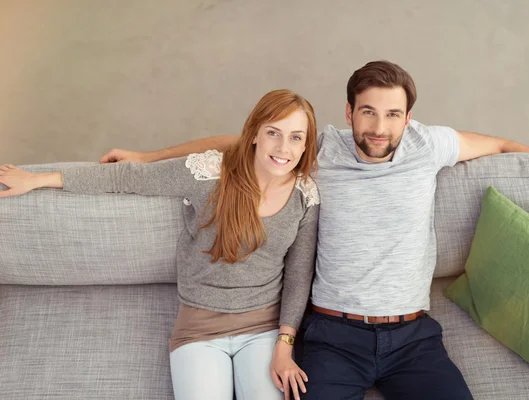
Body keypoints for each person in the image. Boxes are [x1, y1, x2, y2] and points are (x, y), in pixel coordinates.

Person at [89, 61, 529, 399]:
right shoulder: (319, 150)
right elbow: (237, 143)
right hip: (333, 336)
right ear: (349, 112)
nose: (379, 126)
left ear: (408, 117)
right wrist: (146, 157)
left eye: (393, 114)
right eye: (369, 112)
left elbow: (508, 147)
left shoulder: (429, 146)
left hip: (413, 336)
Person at [0, 89, 321, 400]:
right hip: (199, 330)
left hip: (264, 330)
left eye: (296, 137)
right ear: (254, 134)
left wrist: (284, 344)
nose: (283, 147)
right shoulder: (207, 173)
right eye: (273, 133)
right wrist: (38, 179)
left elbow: (298, 276)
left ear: (306, 144)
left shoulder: (304, 194)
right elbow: (122, 179)